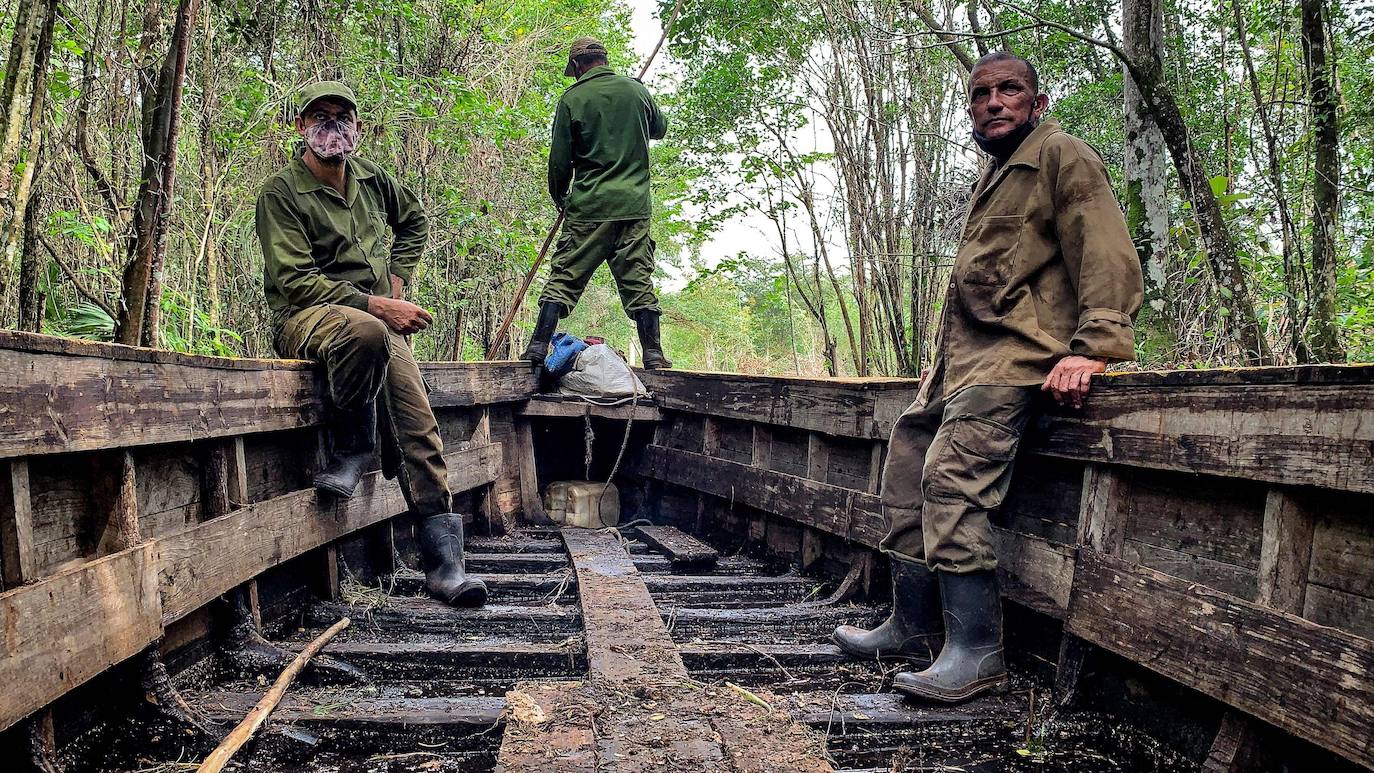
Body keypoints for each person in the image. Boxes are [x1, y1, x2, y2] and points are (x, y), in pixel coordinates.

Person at [832, 52, 1144, 703]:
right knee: (906, 461)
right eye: (981, 94)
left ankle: (976, 652)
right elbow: (980, 287)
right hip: (963, 366)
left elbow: (1106, 246)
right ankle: (913, 624)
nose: (994, 101)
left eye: (1009, 90)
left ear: (1038, 100)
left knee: (951, 478)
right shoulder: (996, 177)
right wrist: (939, 362)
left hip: (1017, 362)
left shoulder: (1062, 156)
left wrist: (1094, 345)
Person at [256, 81, 486, 608]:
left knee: (419, 428)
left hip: (377, 320)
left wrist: (398, 281)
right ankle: (355, 442)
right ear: (300, 128)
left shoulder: (370, 177)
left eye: (342, 117)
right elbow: (293, 280)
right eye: (318, 117)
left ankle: (444, 565)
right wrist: (378, 305)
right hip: (308, 316)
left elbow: (415, 221)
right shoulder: (281, 191)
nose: (330, 127)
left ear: (357, 129)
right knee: (366, 329)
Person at [521, 37, 672, 369]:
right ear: (604, 59)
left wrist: (561, 198)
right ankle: (654, 354)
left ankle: (536, 347)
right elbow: (659, 128)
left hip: (589, 207)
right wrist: (638, 97)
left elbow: (560, 161)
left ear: (577, 66)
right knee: (637, 279)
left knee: (564, 277)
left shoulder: (572, 99)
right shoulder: (635, 91)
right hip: (633, 207)